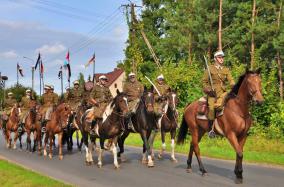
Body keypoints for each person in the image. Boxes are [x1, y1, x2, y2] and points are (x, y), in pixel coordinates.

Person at [202, 50, 235, 138]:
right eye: (220, 57)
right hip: (212, 93)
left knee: (230, 104)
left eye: (222, 57)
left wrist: (234, 86)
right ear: (215, 59)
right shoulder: (210, 69)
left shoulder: (226, 69)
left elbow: (231, 80)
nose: (222, 59)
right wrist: (209, 90)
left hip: (223, 92)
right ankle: (210, 130)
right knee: (212, 108)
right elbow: (204, 82)